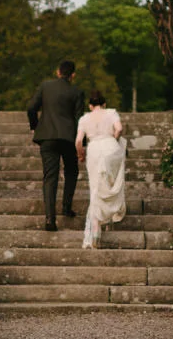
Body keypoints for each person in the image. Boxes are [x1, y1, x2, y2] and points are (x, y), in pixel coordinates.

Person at [26, 60, 86, 231]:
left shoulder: (45, 86)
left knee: (50, 177)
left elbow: (31, 108)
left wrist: (35, 126)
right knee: (71, 171)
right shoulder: (77, 92)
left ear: (58, 72)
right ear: (73, 75)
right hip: (68, 137)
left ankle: (50, 219)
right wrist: (81, 144)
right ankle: (66, 207)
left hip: (47, 136)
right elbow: (79, 119)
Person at [75, 90, 127, 250]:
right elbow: (119, 129)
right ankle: (111, 210)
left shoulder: (84, 118)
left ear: (90, 106)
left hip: (94, 149)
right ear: (104, 104)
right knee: (110, 181)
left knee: (96, 187)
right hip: (110, 147)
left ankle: (96, 231)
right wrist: (114, 140)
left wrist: (80, 155)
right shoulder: (111, 113)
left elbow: (78, 141)